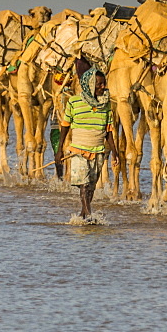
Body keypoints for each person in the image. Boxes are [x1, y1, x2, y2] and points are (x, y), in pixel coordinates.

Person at [54, 69, 120, 222]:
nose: (102, 87)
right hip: (78, 150)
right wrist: (60, 151)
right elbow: (65, 126)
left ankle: (83, 214)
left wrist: (115, 153)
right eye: (98, 84)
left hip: (98, 150)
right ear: (89, 85)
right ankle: (88, 213)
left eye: (104, 83)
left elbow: (109, 130)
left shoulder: (105, 103)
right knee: (83, 183)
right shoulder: (74, 102)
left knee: (91, 185)